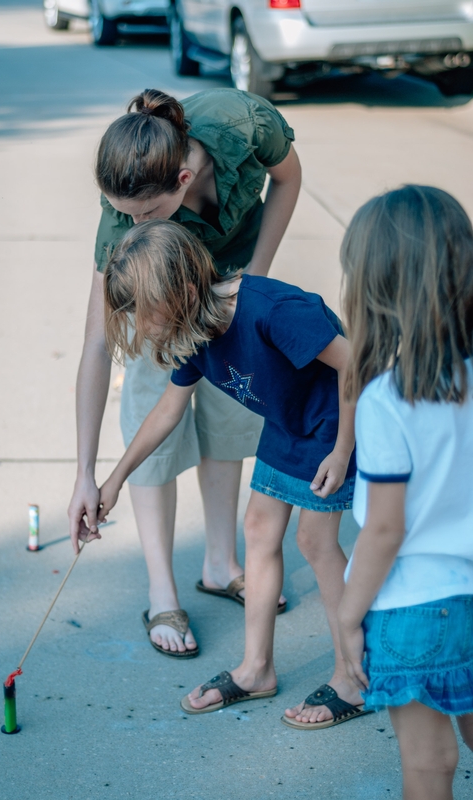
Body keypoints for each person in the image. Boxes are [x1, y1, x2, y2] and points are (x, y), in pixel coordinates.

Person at [78, 219, 365, 727]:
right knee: (257, 528)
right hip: (288, 421)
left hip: (333, 421)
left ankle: (353, 678)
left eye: (147, 314)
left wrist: (343, 451)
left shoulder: (273, 312)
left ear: (184, 290)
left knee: (316, 543)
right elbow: (168, 411)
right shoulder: (195, 330)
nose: (143, 327)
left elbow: (356, 366)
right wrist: (114, 480)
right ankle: (257, 669)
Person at [68, 88, 301, 657]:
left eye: (142, 215)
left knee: (228, 413)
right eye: (121, 213)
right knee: (156, 417)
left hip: (230, 285)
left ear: (179, 182)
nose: (129, 224)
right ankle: (162, 590)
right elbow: (98, 344)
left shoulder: (246, 125)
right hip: (159, 298)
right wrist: (85, 472)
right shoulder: (123, 214)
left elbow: (289, 181)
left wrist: (255, 284)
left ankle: (221, 564)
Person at [337, 186, 473, 799]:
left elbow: (385, 529)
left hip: (415, 606)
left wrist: (346, 610)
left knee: (428, 761)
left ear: (374, 287)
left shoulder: (387, 400)